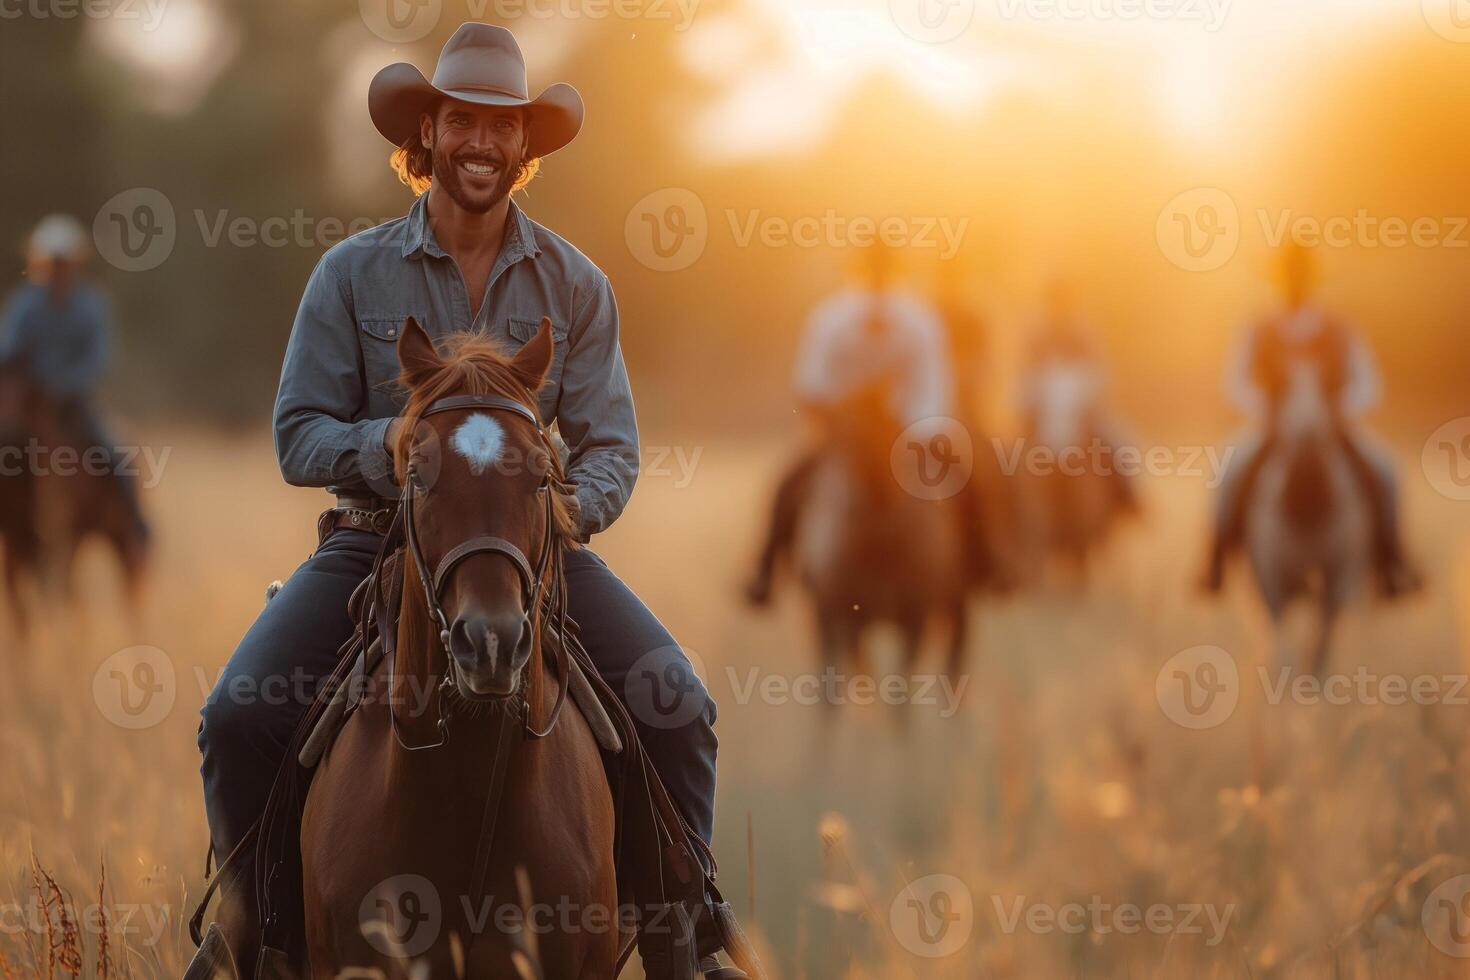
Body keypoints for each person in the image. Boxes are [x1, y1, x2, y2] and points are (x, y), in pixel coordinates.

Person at [194, 24, 745, 977]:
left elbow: (611, 443)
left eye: (501, 126)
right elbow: (297, 433)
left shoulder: (577, 285)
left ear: (524, 146)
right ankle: (256, 937)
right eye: (462, 122)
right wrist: (397, 451)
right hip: (376, 544)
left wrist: (561, 510)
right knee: (240, 713)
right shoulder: (350, 273)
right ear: (429, 134)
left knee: (680, 704)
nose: (481, 143)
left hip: (532, 553)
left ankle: (685, 941)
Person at [1203, 242, 1417, 595]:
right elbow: (1235, 380)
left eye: (1301, 275)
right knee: (1227, 472)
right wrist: (1266, 411)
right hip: (1273, 429)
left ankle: (1391, 563)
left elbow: (1367, 380)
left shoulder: (1339, 327)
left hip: (1333, 430)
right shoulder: (1258, 326)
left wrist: (1340, 412)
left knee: (1385, 470)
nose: (1294, 283)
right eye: (1287, 275)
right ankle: (1216, 563)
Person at [744, 242, 952, 605]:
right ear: (857, 270)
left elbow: (933, 383)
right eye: (871, 268)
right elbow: (810, 385)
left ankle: (972, 568)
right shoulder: (829, 319)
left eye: (884, 269)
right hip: (844, 435)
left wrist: (918, 432)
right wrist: (839, 423)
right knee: (789, 482)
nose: (877, 278)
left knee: (963, 484)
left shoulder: (920, 319)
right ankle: (767, 570)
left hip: (905, 434)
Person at [0, 214, 148, 540]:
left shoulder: (90, 305)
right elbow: (8, 350)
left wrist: (62, 384)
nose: (58, 269)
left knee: (113, 454)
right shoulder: (25, 305)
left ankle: (135, 526)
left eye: (64, 262)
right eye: (53, 262)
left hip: (75, 403)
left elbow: (98, 359)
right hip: (29, 401)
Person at [1016, 277, 1136, 510]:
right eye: (1055, 301)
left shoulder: (1083, 334)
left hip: (1080, 413)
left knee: (1118, 445)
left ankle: (1127, 496)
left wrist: (1089, 404)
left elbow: (1099, 373)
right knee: (1009, 455)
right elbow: (1025, 376)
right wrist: (1029, 407)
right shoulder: (1037, 336)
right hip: (1044, 415)